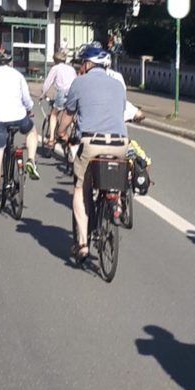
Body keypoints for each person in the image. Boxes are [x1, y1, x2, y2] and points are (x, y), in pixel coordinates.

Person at [56, 46, 129, 263]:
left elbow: (68, 114)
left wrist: (60, 133)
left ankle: (83, 243)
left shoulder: (79, 83)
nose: (80, 67)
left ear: (88, 64)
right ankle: (115, 204)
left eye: (82, 63)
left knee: (81, 187)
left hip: (92, 142)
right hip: (120, 143)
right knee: (113, 179)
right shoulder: (118, 85)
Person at [0, 52, 40, 217]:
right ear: (11, 63)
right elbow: (27, 99)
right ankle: (31, 161)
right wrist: (28, 108)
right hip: (18, 116)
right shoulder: (18, 75)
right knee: (32, 131)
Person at [40, 50, 76, 147]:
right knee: (70, 114)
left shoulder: (55, 68)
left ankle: (51, 138)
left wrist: (42, 94)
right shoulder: (71, 69)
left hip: (63, 93)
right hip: (73, 93)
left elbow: (48, 82)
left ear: (55, 60)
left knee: (54, 114)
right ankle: (73, 134)